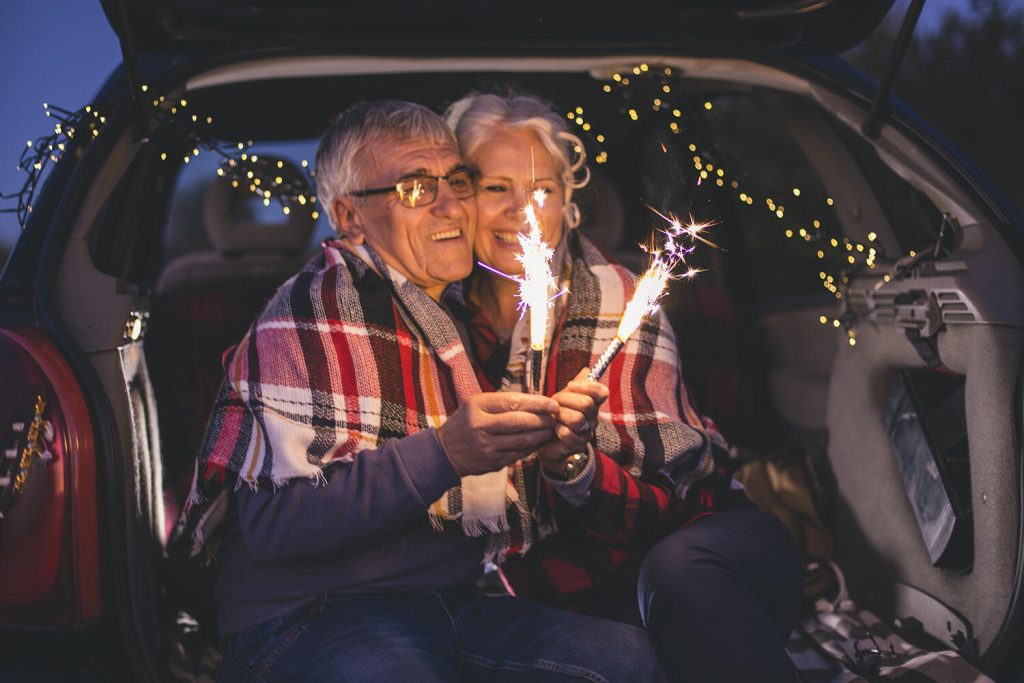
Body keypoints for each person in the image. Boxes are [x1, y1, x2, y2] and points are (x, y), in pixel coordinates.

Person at [173, 100, 665, 682]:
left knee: (628, 662)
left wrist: (560, 448)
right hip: (307, 616)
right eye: (414, 188)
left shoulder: (452, 322)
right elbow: (276, 524)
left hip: (445, 601)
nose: (452, 203)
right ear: (349, 216)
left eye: (456, 180)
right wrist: (448, 453)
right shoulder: (307, 318)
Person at [446, 92, 803, 682]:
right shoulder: (438, 323)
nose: (521, 212)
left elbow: (668, 501)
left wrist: (575, 465)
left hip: (699, 549)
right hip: (558, 593)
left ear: (569, 203)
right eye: (494, 188)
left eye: (542, 191)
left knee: (676, 570)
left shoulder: (617, 298)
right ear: (460, 198)